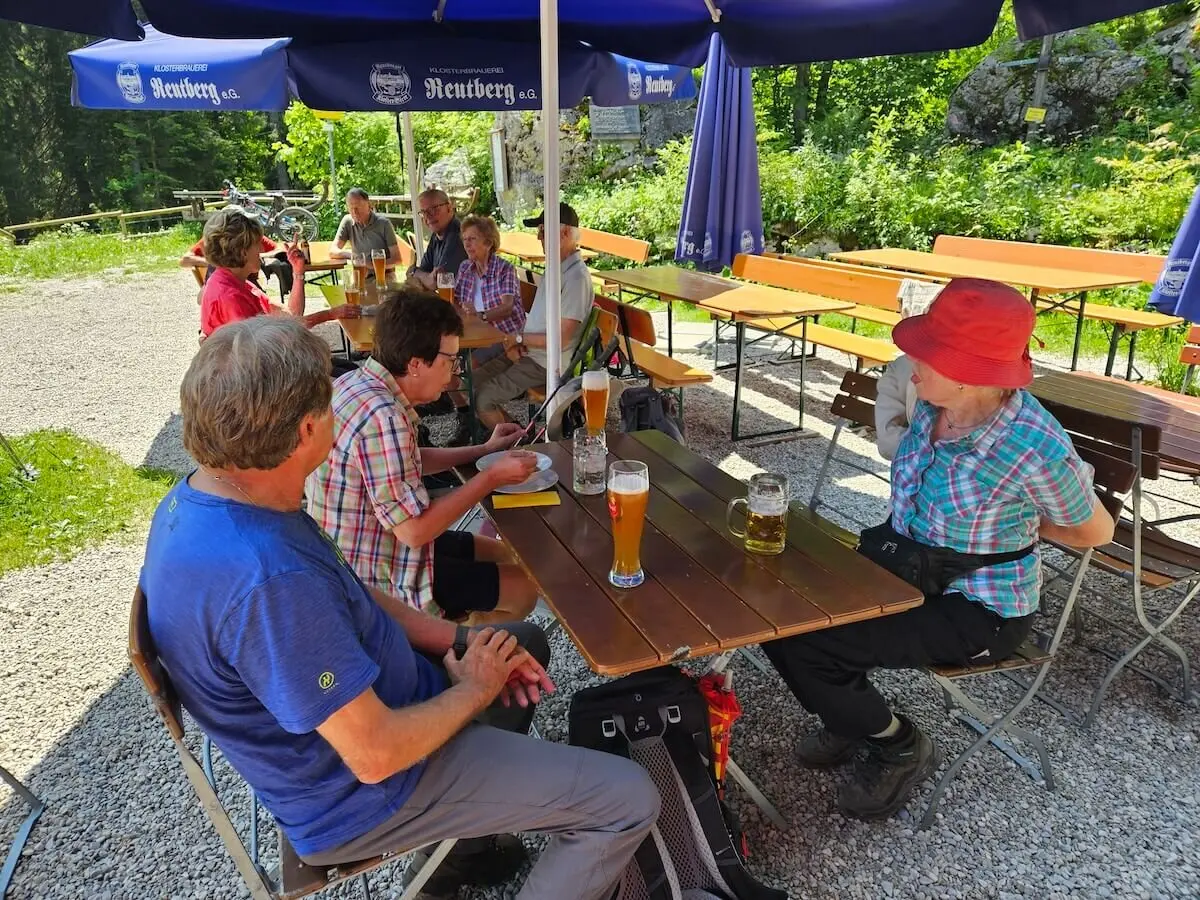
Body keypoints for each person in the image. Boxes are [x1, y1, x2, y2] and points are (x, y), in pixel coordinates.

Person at [140, 316, 659, 900]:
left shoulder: (214, 495)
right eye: (331, 397)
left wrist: (460, 646)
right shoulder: (269, 581)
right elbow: (375, 754)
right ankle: (465, 820)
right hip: (365, 793)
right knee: (628, 798)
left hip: (384, 707)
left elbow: (360, 598)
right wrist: (470, 690)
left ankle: (461, 855)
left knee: (521, 642)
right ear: (309, 429)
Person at [761, 278, 1115, 821]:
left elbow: (1095, 531)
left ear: (974, 375)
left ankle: (898, 741)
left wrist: (1017, 530)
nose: (910, 359)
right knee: (776, 610)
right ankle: (849, 712)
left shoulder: (1033, 445)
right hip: (905, 565)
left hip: (979, 608)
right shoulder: (933, 403)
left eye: (928, 352)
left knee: (813, 645)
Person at [307, 289, 542, 626]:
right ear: (415, 363)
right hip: (377, 575)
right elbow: (414, 532)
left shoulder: (357, 384)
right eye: (450, 360)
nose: (454, 373)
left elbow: (407, 460)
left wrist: (484, 450)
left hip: (363, 547)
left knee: (503, 552)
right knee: (525, 589)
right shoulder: (383, 417)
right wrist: (491, 476)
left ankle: (459, 627)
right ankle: (448, 643)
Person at [473, 203, 593, 430]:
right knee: (472, 382)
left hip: (547, 364)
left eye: (543, 230)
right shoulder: (557, 268)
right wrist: (518, 342)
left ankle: (519, 445)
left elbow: (562, 339)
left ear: (565, 232)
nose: (539, 237)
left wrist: (519, 339)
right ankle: (511, 434)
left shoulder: (576, 278)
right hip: (531, 353)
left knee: (484, 398)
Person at [198, 207, 359, 341]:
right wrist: (329, 314)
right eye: (256, 244)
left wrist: (298, 271)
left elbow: (291, 317)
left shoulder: (238, 282)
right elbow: (261, 350)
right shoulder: (229, 296)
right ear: (242, 252)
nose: (261, 250)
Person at [180, 231, 293, 295]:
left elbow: (279, 249)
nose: (260, 248)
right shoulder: (216, 240)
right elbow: (184, 260)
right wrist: (217, 263)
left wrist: (257, 257)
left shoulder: (250, 235)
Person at [330, 188, 403, 284]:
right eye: (351, 208)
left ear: (369, 205)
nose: (354, 212)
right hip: (360, 276)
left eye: (358, 207)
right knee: (349, 294)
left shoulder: (383, 224)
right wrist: (353, 256)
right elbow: (333, 251)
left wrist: (371, 265)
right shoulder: (348, 221)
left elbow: (397, 259)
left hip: (385, 276)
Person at [407, 188, 467, 292]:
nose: (428, 216)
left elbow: (436, 283)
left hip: (466, 306)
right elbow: (422, 274)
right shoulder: (437, 235)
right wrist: (416, 272)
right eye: (423, 212)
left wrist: (414, 271)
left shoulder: (459, 235)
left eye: (434, 209)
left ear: (449, 208)